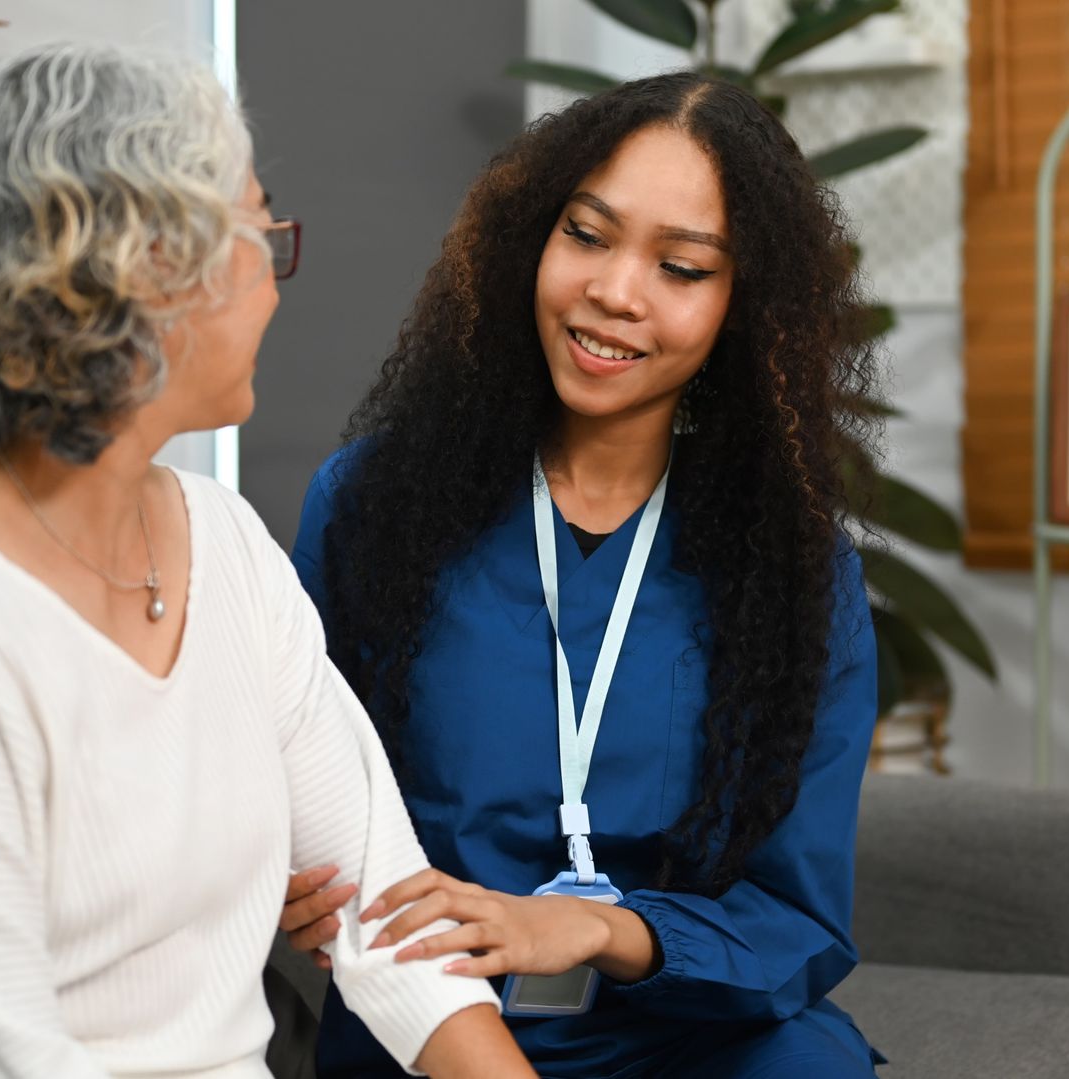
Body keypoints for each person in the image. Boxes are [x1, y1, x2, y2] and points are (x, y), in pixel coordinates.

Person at [0, 43, 534, 1079]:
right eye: (260, 230)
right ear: (144, 271)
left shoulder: (224, 544)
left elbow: (398, 924)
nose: (274, 279)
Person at [283, 72, 886, 1077]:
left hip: (694, 1034)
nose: (615, 291)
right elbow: (293, 791)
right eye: (588, 235)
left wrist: (601, 933)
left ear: (743, 307)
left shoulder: (796, 572)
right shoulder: (371, 504)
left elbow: (797, 919)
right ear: (534, 240)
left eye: (682, 267)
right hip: (438, 1023)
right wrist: (292, 874)